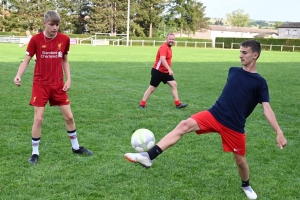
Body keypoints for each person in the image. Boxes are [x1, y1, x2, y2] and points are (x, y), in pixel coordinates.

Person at [125, 40, 287, 199]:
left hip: (235, 126)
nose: (240, 56)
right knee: (184, 125)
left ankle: (246, 185)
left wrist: (278, 131)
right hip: (215, 114)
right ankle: (149, 157)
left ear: (255, 55)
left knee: (240, 162)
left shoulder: (260, 82)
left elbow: (266, 108)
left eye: (244, 53)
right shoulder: (233, 71)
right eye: (240, 52)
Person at [14, 10, 92, 165]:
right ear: (44, 24)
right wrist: (18, 75)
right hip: (40, 85)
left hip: (58, 85)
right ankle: (35, 153)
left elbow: (65, 60)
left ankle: (75, 147)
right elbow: (26, 60)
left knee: (69, 117)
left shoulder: (64, 39)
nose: (55, 28)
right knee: (38, 119)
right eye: (52, 25)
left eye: (57, 25)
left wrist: (69, 79)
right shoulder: (36, 40)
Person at [139, 33, 187, 109]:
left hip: (165, 72)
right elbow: (162, 59)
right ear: (166, 39)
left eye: (173, 39)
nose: (171, 41)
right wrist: (169, 69)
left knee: (173, 84)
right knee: (152, 88)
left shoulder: (169, 47)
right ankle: (142, 104)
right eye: (170, 39)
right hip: (158, 71)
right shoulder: (164, 47)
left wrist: (167, 70)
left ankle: (178, 104)